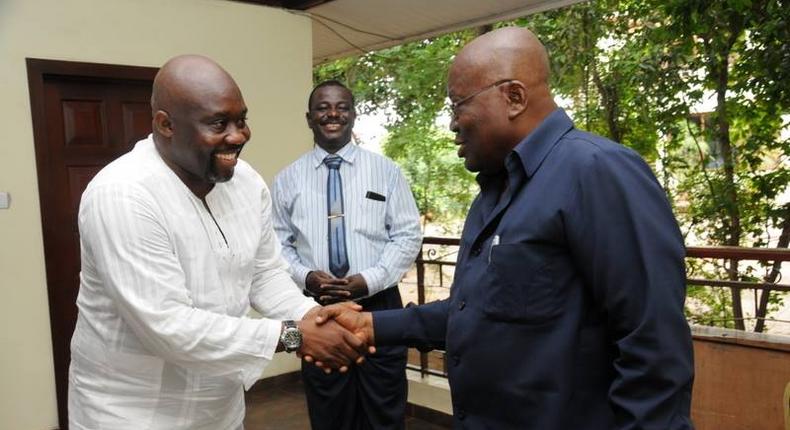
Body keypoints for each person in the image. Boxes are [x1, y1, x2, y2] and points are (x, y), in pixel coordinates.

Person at [317, 27, 695, 429]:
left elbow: (653, 345)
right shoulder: (495, 192)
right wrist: (371, 324)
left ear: (513, 97)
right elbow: (477, 313)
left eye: (457, 104)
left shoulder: (598, 171)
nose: (452, 124)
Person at [68, 55, 367, 430]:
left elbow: (264, 274)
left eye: (241, 119)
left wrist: (314, 317)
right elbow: (168, 326)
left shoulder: (246, 182)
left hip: (218, 407)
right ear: (165, 125)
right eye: (218, 123)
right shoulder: (123, 194)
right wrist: (295, 336)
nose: (238, 135)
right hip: (132, 412)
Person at [271, 80, 422, 429]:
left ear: (353, 115)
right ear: (309, 118)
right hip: (319, 312)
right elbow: (277, 245)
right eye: (323, 107)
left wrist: (367, 281)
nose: (333, 113)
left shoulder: (386, 172)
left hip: (381, 308)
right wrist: (305, 277)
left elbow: (407, 235)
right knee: (330, 412)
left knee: (385, 410)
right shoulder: (287, 180)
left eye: (342, 106)